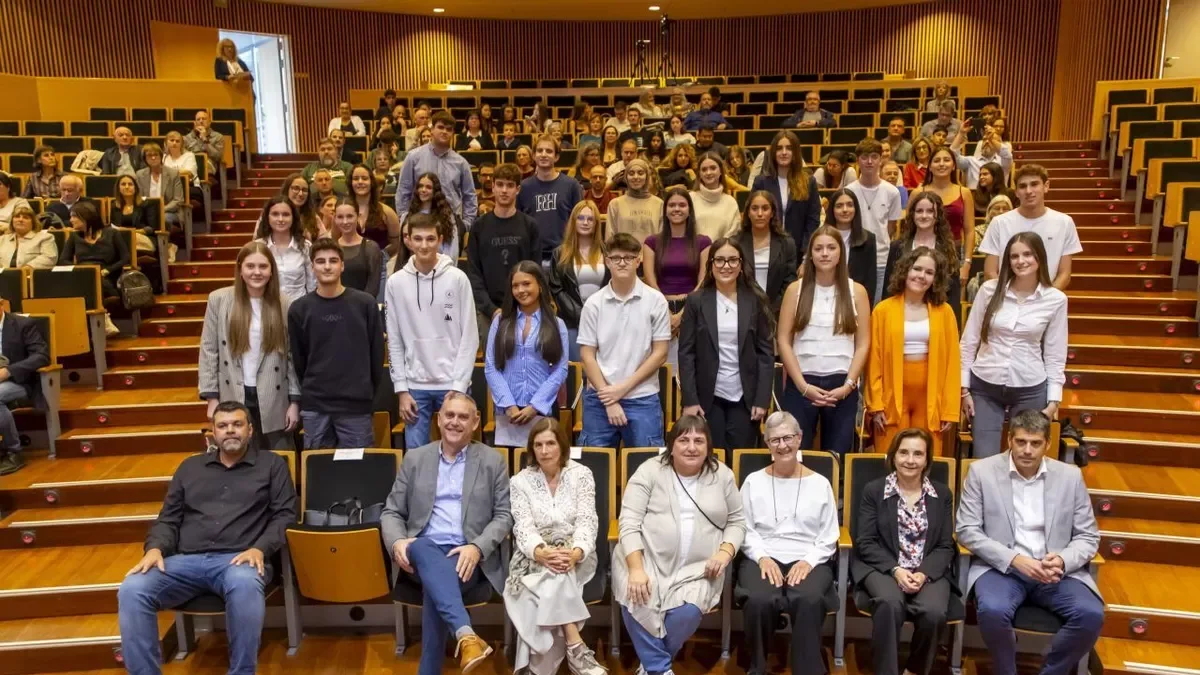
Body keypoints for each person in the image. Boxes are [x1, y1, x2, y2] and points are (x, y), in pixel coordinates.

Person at [118, 401, 294, 675]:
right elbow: (168, 518)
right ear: (213, 433)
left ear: (250, 430)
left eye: (237, 424)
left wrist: (260, 549)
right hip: (185, 561)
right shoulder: (190, 468)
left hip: (239, 559)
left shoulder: (272, 465)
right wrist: (154, 549)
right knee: (132, 589)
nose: (230, 431)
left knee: (245, 583)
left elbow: (285, 516)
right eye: (222, 426)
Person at [956, 409, 1104, 675]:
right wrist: (1015, 560)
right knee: (992, 610)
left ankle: (1051, 670)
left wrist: (1061, 559)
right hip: (1002, 569)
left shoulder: (1070, 477)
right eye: (1020, 442)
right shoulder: (982, 472)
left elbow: (1088, 536)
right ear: (1009, 440)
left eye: (1035, 443)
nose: (1027, 450)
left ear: (1047, 444)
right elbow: (967, 530)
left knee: (1091, 614)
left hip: (1055, 572)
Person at [379, 390, 512, 675]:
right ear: (438, 419)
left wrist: (477, 547)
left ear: (475, 423)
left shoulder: (492, 461)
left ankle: (455, 649)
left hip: (464, 557)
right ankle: (465, 635)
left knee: (436, 585)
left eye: (463, 417)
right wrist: (398, 541)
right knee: (425, 548)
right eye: (449, 415)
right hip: (420, 552)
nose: (455, 422)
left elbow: (504, 516)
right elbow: (391, 512)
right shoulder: (415, 459)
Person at [614, 415, 744, 675]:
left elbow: (737, 521)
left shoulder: (723, 476)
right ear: (671, 446)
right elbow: (628, 522)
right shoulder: (649, 471)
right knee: (637, 594)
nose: (691, 447)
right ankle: (660, 669)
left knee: (688, 612)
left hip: (700, 567)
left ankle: (652, 666)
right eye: (684, 440)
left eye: (699, 440)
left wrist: (724, 552)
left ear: (708, 447)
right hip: (646, 558)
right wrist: (637, 568)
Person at [737, 411, 839, 675]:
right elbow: (743, 528)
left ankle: (809, 670)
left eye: (787, 438)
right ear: (767, 444)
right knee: (759, 598)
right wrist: (762, 557)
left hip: (808, 557)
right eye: (774, 440)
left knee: (808, 597)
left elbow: (829, 535)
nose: (782, 445)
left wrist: (808, 561)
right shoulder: (753, 482)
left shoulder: (820, 483)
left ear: (800, 438)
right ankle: (756, 667)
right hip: (763, 555)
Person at [505, 418, 606, 675]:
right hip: (534, 554)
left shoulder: (581, 475)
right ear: (532, 448)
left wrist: (576, 553)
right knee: (552, 576)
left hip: (575, 552)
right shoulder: (520, 481)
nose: (544, 450)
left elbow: (587, 520)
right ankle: (576, 648)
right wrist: (540, 552)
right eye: (538, 445)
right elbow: (523, 527)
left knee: (555, 574)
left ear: (561, 445)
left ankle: (535, 669)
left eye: (550, 443)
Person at [852, 428, 956, 675]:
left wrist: (923, 574)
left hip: (927, 569)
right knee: (889, 603)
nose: (910, 460)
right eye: (904, 452)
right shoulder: (874, 491)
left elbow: (944, 545)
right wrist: (896, 570)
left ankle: (915, 669)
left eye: (918, 454)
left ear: (927, 459)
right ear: (893, 456)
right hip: (884, 567)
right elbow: (865, 541)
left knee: (934, 612)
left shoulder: (941, 494)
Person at [961, 232, 1067, 457]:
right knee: (984, 458)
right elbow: (969, 341)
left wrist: (1053, 401)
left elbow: (1055, 353)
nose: (1021, 261)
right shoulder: (989, 290)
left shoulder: (1055, 299)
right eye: (1014, 256)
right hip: (985, 385)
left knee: (1024, 458)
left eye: (1027, 254)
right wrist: (964, 389)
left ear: (1039, 257)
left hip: (1030, 387)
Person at [385, 214, 478, 449]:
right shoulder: (395, 282)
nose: (424, 245)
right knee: (416, 457)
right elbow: (394, 340)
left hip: (453, 383)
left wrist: (459, 385)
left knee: (458, 451)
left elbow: (470, 336)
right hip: (415, 386)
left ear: (440, 240)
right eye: (418, 239)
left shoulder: (458, 278)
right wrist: (401, 390)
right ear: (408, 241)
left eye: (430, 239)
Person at [777, 226, 871, 455]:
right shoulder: (794, 290)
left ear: (841, 253)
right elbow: (783, 340)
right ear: (810, 254)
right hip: (801, 384)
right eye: (818, 248)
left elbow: (863, 344)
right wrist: (802, 386)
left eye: (831, 248)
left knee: (836, 457)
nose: (825, 253)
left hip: (842, 386)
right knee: (796, 455)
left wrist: (847, 386)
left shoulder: (857, 291)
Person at [199, 240, 300, 451]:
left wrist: (295, 402)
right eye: (250, 266)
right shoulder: (218, 300)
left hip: (274, 395)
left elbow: (291, 355)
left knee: (278, 456)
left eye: (263, 266)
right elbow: (209, 350)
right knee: (238, 456)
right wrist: (211, 398)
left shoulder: (284, 303)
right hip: (234, 391)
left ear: (272, 270)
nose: (257, 272)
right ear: (240, 270)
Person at [288, 238, 385, 449]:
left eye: (333, 260)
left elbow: (377, 354)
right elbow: (299, 359)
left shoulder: (365, 304)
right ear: (312, 267)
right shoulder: (299, 309)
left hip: (356, 405)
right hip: (316, 405)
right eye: (320, 261)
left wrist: (365, 392)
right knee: (320, 470)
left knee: (358, 470)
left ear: (342, 265)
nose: (327, 266)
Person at [678, 237, 773, 451]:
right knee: (711, 456)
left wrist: (762, 398)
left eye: (732, 260)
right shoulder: (696, 301)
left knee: (741, 455)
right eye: (719, 260)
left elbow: (765, 354)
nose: (726, 266)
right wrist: (690, 400)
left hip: (745, 397)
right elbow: (686, 354)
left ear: (741, 265)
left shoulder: (755, 300)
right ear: (711, 265)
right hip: (707, 398)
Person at [577, 232, 670, 448]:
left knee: (646, 469)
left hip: (642, 398)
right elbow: (587, 355)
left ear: (639, 261)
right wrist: (609, 398)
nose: (622, 263)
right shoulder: (594, 303)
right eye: (616, 258)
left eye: (628, 258)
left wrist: (621, 390)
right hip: (599, 398)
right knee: (594, 466)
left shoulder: (656, 301)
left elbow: (660, 354)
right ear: (607, 261)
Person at [867, 247, 960, 457]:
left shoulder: (944, 312)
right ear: (905, 270)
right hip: (891, 396)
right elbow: (874, 360)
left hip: (930, 396)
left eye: (929, 272)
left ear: (936, 278)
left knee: (927, 457)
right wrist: (876, 404)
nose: (921, 276)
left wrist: (949, 409)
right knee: (890, 454)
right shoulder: (883, 310)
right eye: (917, 268)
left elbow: (953, 363)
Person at [484, 262, 569, 446]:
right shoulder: (500, 321)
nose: (520, 290)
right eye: (515, 286)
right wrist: (509, 405)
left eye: (526, 284)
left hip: (542, 409)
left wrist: (535, 406)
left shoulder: (557, 324)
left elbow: (560, 370)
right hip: (508, 412)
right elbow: (491, 367)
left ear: (539, 284)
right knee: (510, 469)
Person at [466, 163, 542, 345]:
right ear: (492, 186)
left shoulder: (530, 225)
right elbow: (474, 273)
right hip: (488, 311)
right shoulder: (479, 226)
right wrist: (491, 310)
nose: (504, 190)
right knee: (492, 367)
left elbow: (535, 271)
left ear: (518, 189)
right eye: (499, 185)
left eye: (509, 185)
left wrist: (523, 306)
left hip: (524, 308)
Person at [979, 165, 1082, 290]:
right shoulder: (999, 223)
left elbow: (1064, 274)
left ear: (1046, 186)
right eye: (1022, 186)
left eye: (1034, 184)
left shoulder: (1065, 222)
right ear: (1016, 192)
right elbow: (990, 272)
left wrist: (1046, 300)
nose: (1028, 191)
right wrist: (1008, 298)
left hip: (1047, 299)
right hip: (1007, 298)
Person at [644, 187, 712, 373]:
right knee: (661, 367)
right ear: (665, 210)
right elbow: (650, 279)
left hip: (693, 308)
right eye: (672, 205)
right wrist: (665, 311)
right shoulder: (651, 242)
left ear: (689, 209)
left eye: (682, 205)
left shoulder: (703, 242)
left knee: (690, 368)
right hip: (659, 307)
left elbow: (704, 280)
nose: (677, 209)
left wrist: (683, 314)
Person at [395, 111, 478, 238]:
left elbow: (469, 196)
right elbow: (403, 191)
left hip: (451, 226)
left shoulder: (461, 163)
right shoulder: (413, 157)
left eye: (449, 129)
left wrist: (466, 225)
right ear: (432, 129)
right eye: (440, 127)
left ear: (452, 134)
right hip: (419, 223)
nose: (444, 131)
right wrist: (405, 219)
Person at [886, 192, 963, 322]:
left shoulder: (948, 248)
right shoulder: (897, 247)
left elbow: (954, 291)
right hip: (902, 314)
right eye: (919, 211)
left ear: (937, 215)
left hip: (937, 314)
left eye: (930, 211)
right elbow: (889, 287)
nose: (924, 216)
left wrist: (952, 322)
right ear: (912, 215)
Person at [549, 201, 609, 361]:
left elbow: (612, 286)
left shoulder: (607, 252)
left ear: (597, 223)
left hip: (603, 322)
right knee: (576, 373)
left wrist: (597, 316)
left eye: (590, 219)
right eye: (581, 218)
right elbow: (557, 290)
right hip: (571, 323)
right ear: (573, 221)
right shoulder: (559, 253)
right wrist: (583, 315)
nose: (585, 222)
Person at [847, 138, 903, 304]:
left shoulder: (892, 192)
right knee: (853, 306)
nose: (869, 161)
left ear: (880, 159)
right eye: (864, 157)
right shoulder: (848, 191)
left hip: (881, 259)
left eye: (874, 156)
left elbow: (891, 228)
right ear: (858, 161)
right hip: (854, 257)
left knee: (877, 306)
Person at [0, 295, 50, 474]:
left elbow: (41, 355)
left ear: (1, 305)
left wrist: (9, 371)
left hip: (19, 381)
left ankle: (14, 452)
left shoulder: (22, 325)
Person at [518, 135, 583, 264]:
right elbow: (519, 223)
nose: (543, 154)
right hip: (532, 256)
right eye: (540, 150)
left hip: (564, 256)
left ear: (557, 157)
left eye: (549, 151)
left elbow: (579, 221)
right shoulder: (524, 187)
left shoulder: (571, 185)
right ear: (534, 155)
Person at [753, 131, 821, 254]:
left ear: (795, 152)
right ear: (773, 152)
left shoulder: (809, 182)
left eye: (789, 148)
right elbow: (753, 216)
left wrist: (806, 254)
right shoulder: (761, 182)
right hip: (767, 250)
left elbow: (813, 220)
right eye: (779, 148)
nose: (784, 153)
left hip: (799, 251)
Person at [737, 190, 798, 313]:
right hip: (742, 309)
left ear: (772, 213)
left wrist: (772, 309)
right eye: (754, 208)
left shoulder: (787, 243)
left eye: (765, 208)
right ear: (748, 213)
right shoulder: (736, 243)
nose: (760, 213)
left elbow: (789, 281)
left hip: (777, 311)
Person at [59, 200, 130, 303]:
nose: (71, 220)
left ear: (86, 217)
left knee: (96, 283)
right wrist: (83, 270)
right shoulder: (74, 236)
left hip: (105, 275)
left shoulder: (112, 233)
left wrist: (108, 270)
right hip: (82, 275)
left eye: (74, 217)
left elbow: (125, 258)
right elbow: (63, 260)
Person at [254, 196, 314, 301]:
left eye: (286, 214)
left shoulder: (305, 247)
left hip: (299, 308)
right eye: (275, 214)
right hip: (268, 308)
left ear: (293, 218)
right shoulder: (258, 247)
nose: (280, 219)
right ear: (267, 217)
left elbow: (312, 285)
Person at [824, 189, 879, 302]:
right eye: (839, 206)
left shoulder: (868, 239)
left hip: (854, 300)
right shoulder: (821, 237)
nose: (845, 210)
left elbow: (870, 281)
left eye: (849, 205)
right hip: (825, 297)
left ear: (856, 209)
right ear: (832, 210)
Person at [329, 197, 382, 298]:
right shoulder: (330, 247)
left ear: (358, 217)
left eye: (349, 216)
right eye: (340, 217)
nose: (345, 221)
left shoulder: (371, 248)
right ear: (334, 218)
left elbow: (373, 287)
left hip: (362, 308)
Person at [406, 172, 463, 260]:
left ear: (435, 191)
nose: (423, 190)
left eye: (428, 187)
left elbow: (452, 249)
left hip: (440, 265)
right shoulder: (409, 215)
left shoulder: (446, 216)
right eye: (420, 186)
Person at [606, 158, 663, 245]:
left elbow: (662, 240)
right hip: (623, 257)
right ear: (626, 177)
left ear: (647, 176)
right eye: (631, 173)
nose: (636, 177)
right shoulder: (615, 204)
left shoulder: (659, 204)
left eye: (640, 173)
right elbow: (610, 239)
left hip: (651, 257)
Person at [348, 164, 400, 254]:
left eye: (364, 178)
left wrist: (378, 256)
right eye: (356, 178)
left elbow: (396, 244)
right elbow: (335, 240)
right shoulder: (343, 211)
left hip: (380, 264)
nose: (360, 182)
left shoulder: (387, 212)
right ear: (350, 183)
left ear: (371, 182)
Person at [690, 153, 740, 242]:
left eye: (713, 168)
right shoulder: (691, 198)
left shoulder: (730, 202)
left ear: (721, 171)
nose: (708, 173)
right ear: (699, 174)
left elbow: (733, 234)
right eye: (704, 169)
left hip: (722, 253)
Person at [137, 143, 186, 227]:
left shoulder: (173, 173)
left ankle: (162, 240)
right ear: (145, 159)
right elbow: (139, 197)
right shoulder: (140, 174)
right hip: (147, 212)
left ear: (161, 156)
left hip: (169, 211)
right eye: (149, 155)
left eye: (156, 155)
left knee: (162, 219)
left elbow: (178, 200)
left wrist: (161, 209)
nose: (153, 158)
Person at [950, 123, 1012, 189]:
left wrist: (992, 139)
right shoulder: (971, 161)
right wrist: (961, 133)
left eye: (991, 140)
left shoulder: (1002, 163)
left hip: (996, 197)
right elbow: (952, 156)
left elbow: (1007, 155)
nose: (987, 142)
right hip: (974, 197)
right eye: (985, 139)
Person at [0, 205, 57, 270]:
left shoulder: (45, 238)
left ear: (33, 222)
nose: (20, 220)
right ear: (12, 221)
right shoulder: (2, 239)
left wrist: (28, 268)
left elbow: (49, 258)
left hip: (33, 277)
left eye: (25, 217)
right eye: (17, 217)